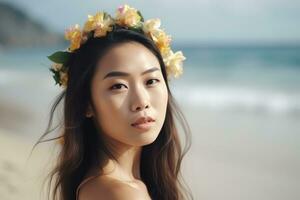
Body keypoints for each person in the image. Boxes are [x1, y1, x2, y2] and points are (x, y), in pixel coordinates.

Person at [34, 4, 193, 200]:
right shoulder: (119, 193)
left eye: (151, 81)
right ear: (87, 103)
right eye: (118, 86)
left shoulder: (107, 185)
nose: (141, 101)